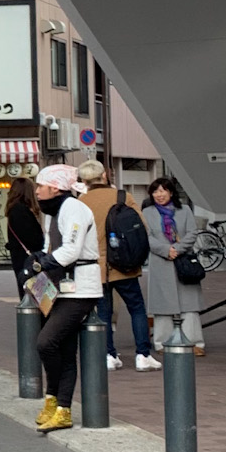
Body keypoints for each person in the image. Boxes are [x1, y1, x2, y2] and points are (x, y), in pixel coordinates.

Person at [32, 164, 101, 433]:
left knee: (46, 342)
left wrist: (42, 263)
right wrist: (40, 256)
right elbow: (50, 245)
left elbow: (71, 249)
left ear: (55, 188)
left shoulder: (73, 208)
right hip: (58, 284)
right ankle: (59, 406)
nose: (37, 191)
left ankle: (57, 402)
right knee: (64, 350)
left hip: (80, 287)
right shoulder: (55, 211)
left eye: (41, 186)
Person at [76, 160, 157, 373]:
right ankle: (143, 355)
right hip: (124, 264)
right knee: (136, 308)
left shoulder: (81, 202)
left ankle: (109, 355)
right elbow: (143, 227)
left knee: (103, 312)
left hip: (97, 268)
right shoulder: (122, 197)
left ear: (84, 181)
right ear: (104, 176)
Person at [142, 176, 204, 354]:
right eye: (155, 191)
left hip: (183, 261)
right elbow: (146, 237)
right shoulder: (147, 212)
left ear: (171, 192)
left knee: (189, 305)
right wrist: (165, 250)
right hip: (160, 262)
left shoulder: (184, 210)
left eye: (163, 190)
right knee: (163, 306)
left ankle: (194, 343)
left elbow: (192, 232)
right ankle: (163, 343)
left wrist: (177, 248)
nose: (159, 194)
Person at [4, 175, 43, 299]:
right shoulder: (21, 211)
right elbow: (33, 238)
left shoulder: (14, 209)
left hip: (20, 256)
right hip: (28, 258)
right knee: (32, 292)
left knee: (27, 289)